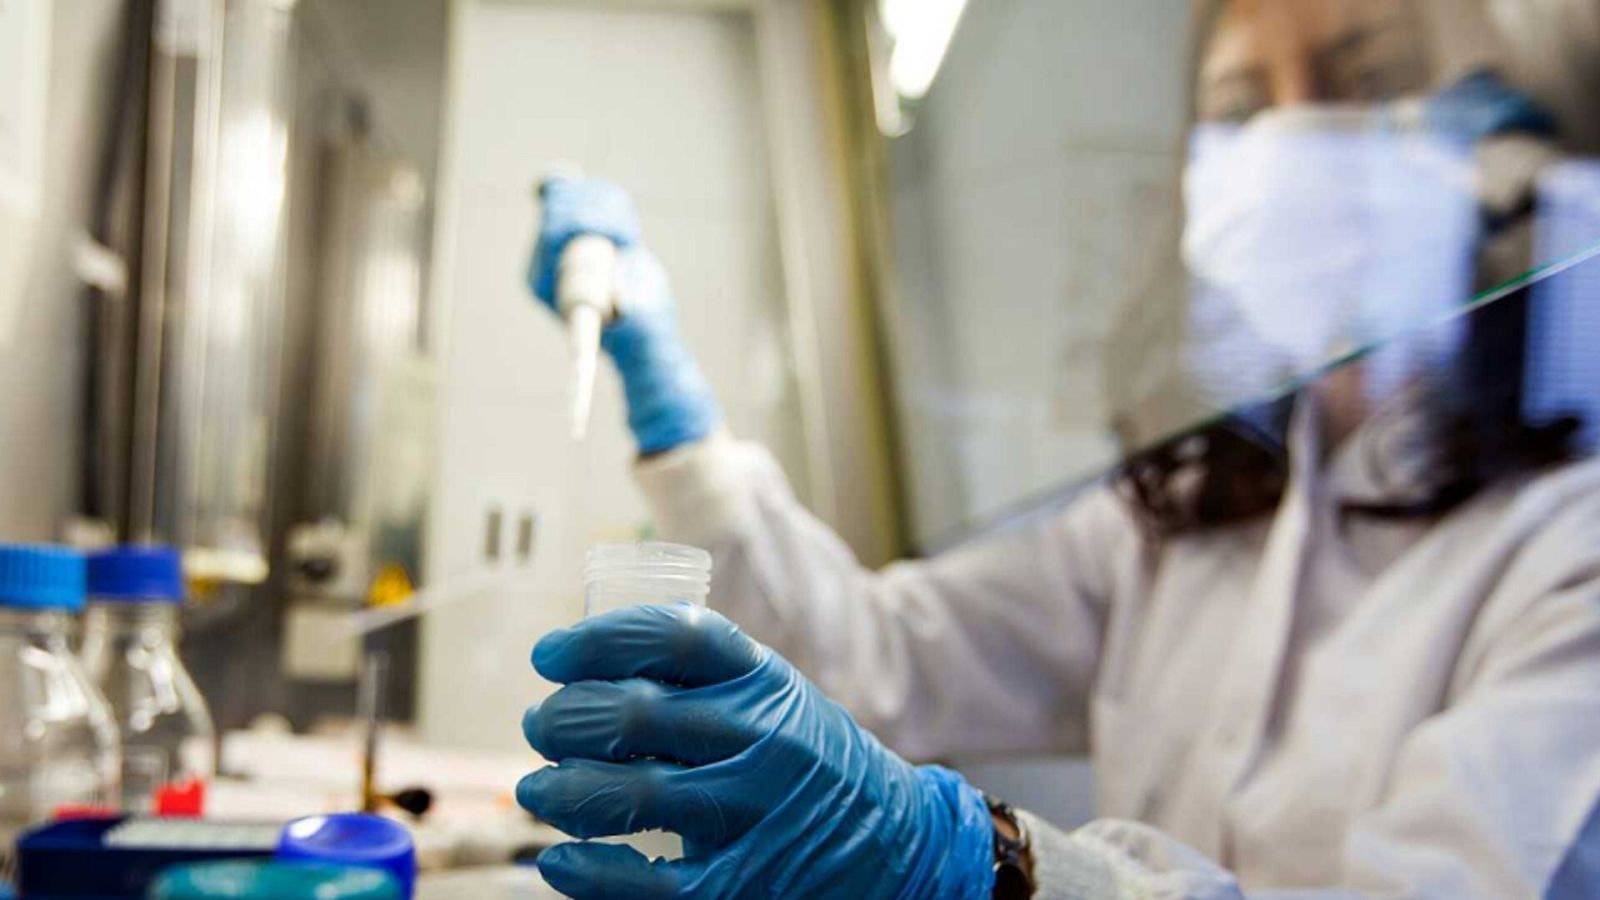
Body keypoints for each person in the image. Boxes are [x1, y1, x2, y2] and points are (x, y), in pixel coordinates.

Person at [517, 1, 1600, 897]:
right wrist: (679, 424)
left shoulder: (1570, 552)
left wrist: (982, 864)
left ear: (1511, 135)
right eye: (1238, 109)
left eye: (1364, 79)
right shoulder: (1188, 510)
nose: (1287, 141)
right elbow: (872, 657)